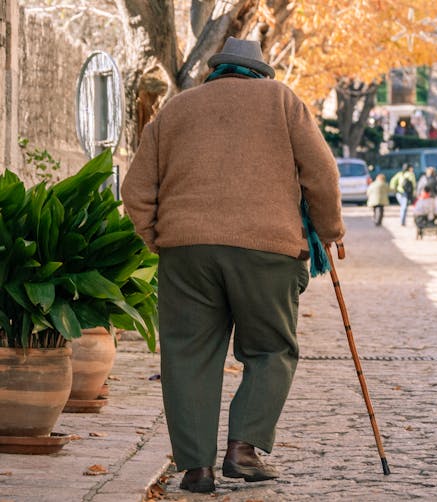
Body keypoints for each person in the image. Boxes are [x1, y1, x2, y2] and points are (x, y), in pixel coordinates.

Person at [121, 37, 345, 494]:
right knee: (270, 350)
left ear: (216, 70)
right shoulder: (282, 100)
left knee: (186, 358)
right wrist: (329, 230)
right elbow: (321, 173)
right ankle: (243, 449)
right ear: (260, 72)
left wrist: (159, 238)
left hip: (186, 252)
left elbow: (136, 189)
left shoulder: (177, 108)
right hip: (267, 249)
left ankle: (196, 469)